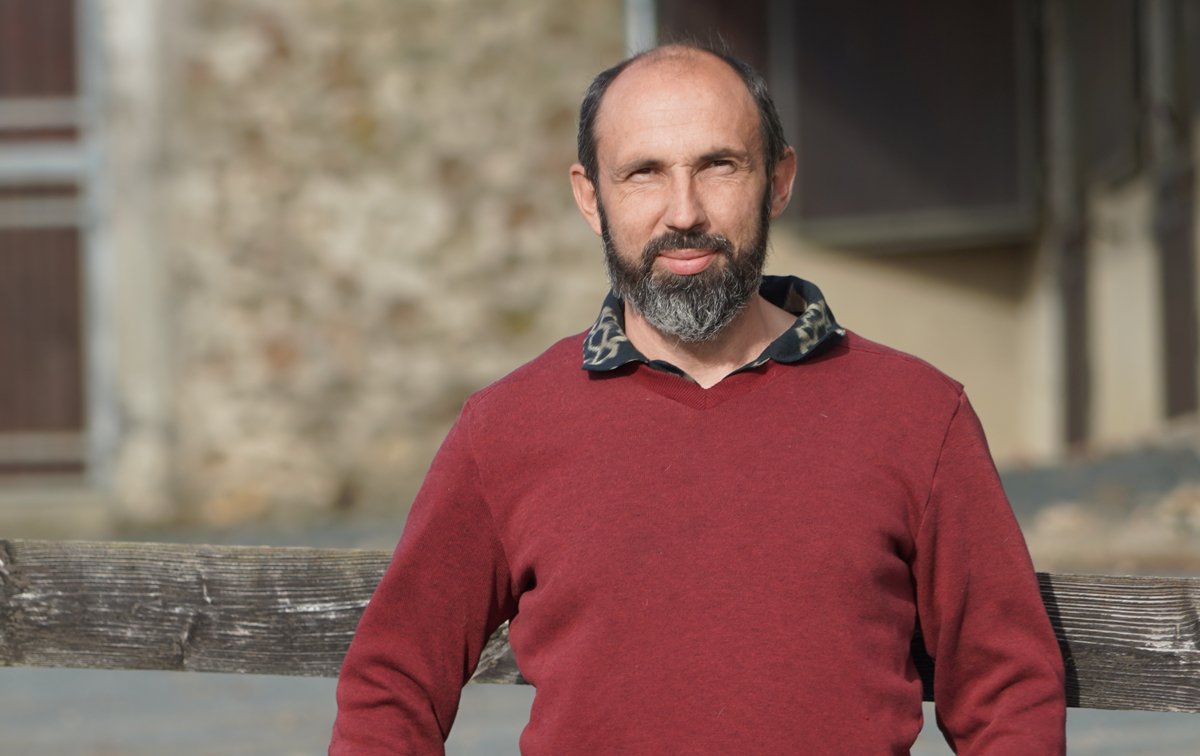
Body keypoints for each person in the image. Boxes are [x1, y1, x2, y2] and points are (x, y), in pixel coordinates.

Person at [330, 44, 1066, 754]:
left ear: (778, 181)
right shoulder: (507, 428)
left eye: (719, 165)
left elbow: (1007, 692)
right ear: (590, 197)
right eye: (643, 173)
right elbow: (393, 682)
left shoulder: (917, 415)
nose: (683, 212)